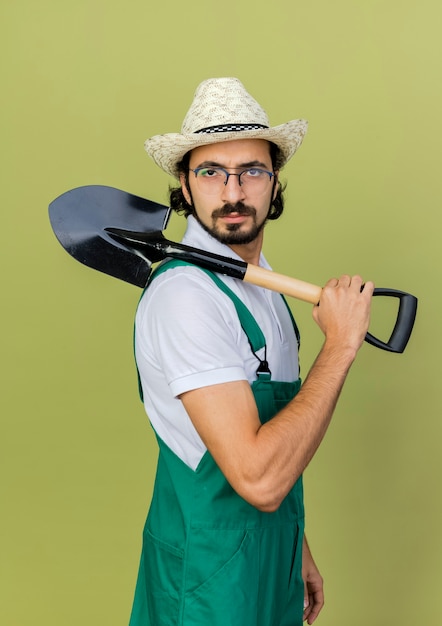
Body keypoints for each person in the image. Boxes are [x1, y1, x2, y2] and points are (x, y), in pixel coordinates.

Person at [129, 77, 374, 626]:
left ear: (274, 182)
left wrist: (296, 545)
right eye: (211, 172)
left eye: (252, 171)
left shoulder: (264, 287)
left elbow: (274, 440)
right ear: (185, 187)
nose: (232, 191)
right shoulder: (185, 296)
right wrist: (340, 346)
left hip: (268, 561)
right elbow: (258, 478)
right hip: (209, 579)